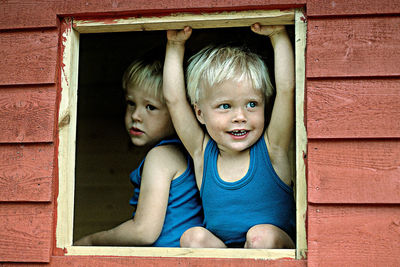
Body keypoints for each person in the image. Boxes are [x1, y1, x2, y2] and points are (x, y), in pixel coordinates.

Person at [163, 24, 295, 249]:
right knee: (192, 237)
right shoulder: (203, 154)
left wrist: (278, 35)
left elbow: (286, 89)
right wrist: (175, 46)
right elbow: (174, 100)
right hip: (225, 256)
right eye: (225, 106)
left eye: (252, 104)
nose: (240, 116)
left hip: (272, 251)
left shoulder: (273, 148)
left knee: (259, 236)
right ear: (200, 113)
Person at [74, 55, 203, 247]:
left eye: (150, 107)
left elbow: (143, 231)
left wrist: (92, 240)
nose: (136, 115)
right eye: (131, 103)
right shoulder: (191, 153)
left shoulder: (161, 157)